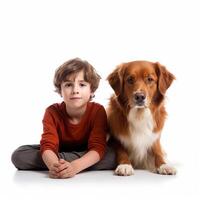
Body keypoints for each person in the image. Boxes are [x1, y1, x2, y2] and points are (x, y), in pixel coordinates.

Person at [11, 58, 116, 178]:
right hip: (58, 150)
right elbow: (48, 144)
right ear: (60, 90)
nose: (75, 90)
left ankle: (70, 163)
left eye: (82, 85)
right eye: (68, 85)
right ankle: (64, 165)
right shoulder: (52, 112)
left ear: (91, 90)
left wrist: (75, 167)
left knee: (112, 156)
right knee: (19, 155)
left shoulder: (97, 111)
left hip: (88, 152)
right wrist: (54, 165)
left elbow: (97, 147)